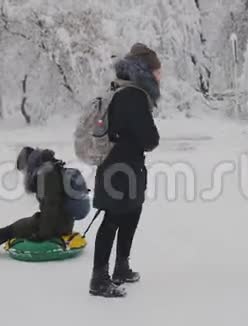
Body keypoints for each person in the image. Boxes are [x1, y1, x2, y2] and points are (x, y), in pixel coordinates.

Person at [89, 43, 161, 298]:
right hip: (121, 168)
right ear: (146, 70)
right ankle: (99, 279)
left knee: (130, 214)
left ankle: (121, 267)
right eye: (156, 69)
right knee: (113, 220)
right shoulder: (133, 96)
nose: (160, 74)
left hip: (122, 166)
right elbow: (150, 138)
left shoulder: (123, 91)